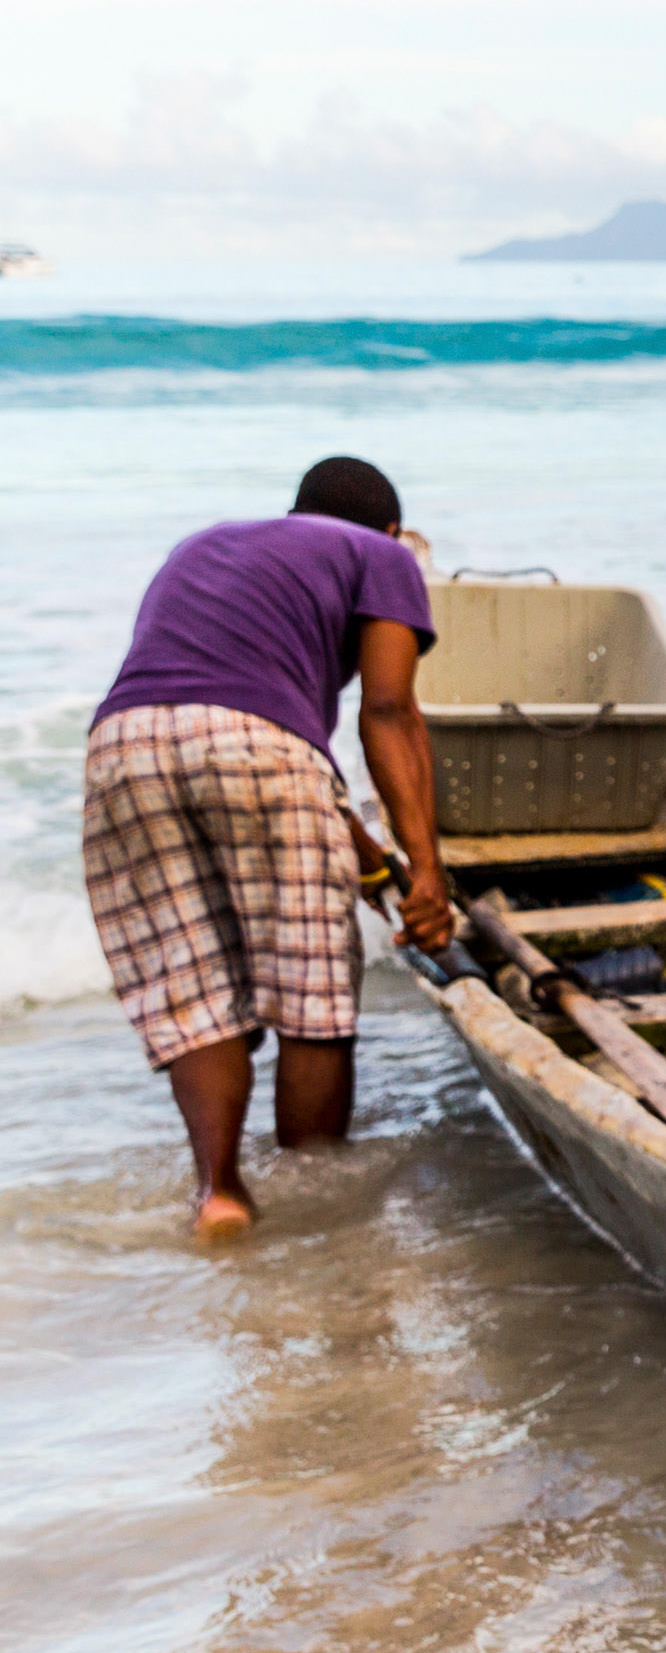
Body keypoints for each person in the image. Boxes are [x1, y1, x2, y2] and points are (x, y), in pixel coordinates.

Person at [82, 456, 457, 1236]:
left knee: (197, 990)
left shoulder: (207, 546)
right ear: (388, 530)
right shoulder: (383, 556)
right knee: (311, 992)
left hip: (123, 748)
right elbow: (387, 713)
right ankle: (318, 1211)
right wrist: (428, 874)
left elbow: (232, 721)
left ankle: (219, 1190)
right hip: (261, 752)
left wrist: (367, 854)